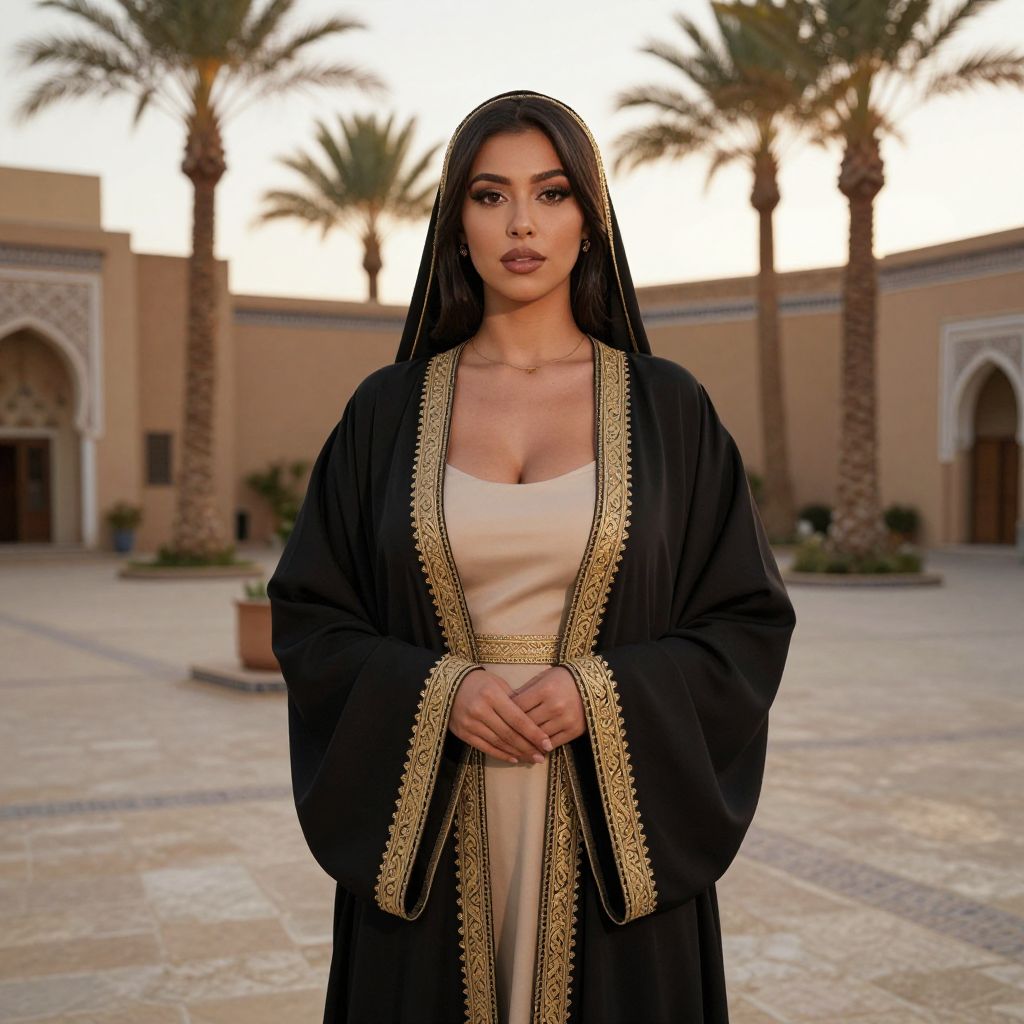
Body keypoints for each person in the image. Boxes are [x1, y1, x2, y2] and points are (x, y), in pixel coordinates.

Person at [267, 88, 797, 1024]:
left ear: (591, 221)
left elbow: (746, 623)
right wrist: (440, 691)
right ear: (454, 223)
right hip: (429, 839)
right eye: (489, 195)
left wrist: (600, 691)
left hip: (613, 855)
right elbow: (312, 618)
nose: (521, 223)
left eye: (552, 194)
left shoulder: (669, 410)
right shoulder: (385, 415)